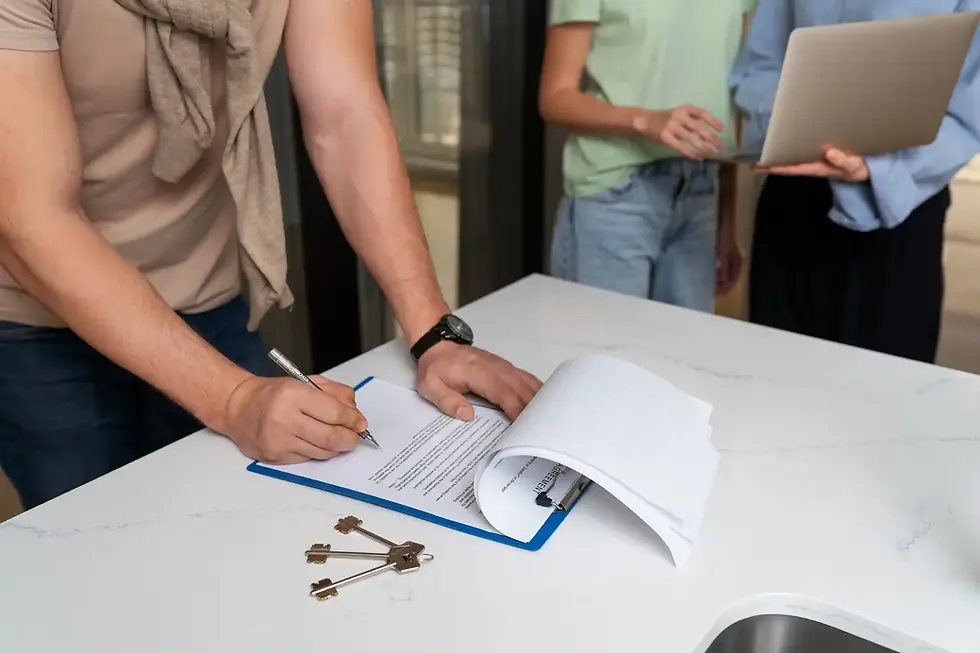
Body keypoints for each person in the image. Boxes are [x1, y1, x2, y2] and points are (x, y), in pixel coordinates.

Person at [0, 0, 542, 510]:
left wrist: (433, 335)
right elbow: (29, 217)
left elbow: (346, 113)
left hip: (206, 292)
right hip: (33, 324)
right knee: (98, 554)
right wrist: (234, 399)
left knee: (236, 528)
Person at [730, 1, 980, 363]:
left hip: (896, 207)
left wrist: (881, 167)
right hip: (793, 194)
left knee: (883, 394)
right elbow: (760, 65)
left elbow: (972, 102)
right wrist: (798, 124)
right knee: (775, 380)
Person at [539, 0, 757, 311]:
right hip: (616, 193)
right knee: (607, 352)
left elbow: (726, 101)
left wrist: (727, 221)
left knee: (683, 355)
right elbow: (555, 97)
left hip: (701, 193)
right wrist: (644, 120)